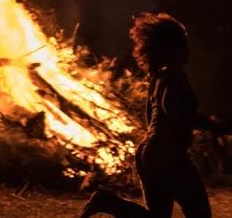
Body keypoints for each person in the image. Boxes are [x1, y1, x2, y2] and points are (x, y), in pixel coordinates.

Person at [80, 12, 214, 218]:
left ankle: (108, 202)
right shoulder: (174, 78)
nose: (188, 51)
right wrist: (213, 125)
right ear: (174, 50)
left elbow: (150, 116)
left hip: (150, 153)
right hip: (167, 155)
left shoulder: (158, 78)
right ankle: (108, 202)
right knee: (200, 213)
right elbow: (175, 109)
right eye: (184, 45)